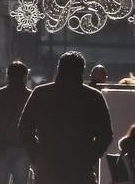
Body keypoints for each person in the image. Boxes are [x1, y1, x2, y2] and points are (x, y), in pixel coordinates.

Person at [17, 51, 113, 184]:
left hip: (47, 166)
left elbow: (24, 129)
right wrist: (90, 158)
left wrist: (37, 157)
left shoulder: (41, 93)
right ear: (82, 71)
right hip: (80, 169)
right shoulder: (93, 96)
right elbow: (106, 135)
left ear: (59, 69)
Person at [0, 61, 33, 184]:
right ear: (25, 76)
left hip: (0, 148)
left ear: (8, 76)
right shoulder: (31, 96)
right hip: (23, 147)